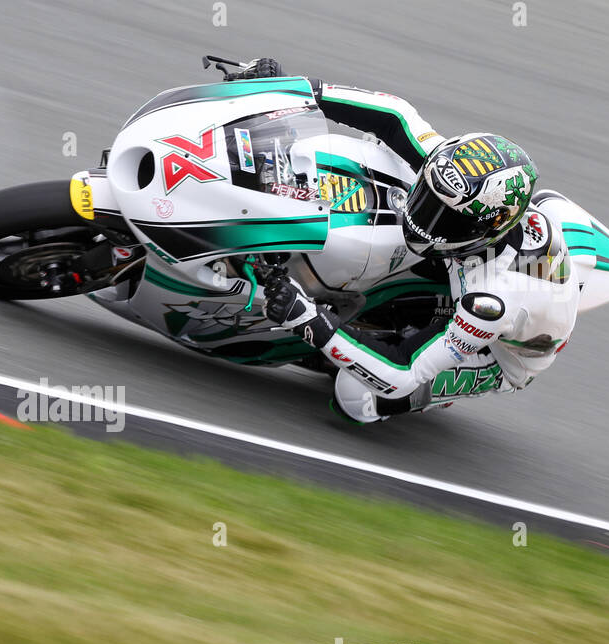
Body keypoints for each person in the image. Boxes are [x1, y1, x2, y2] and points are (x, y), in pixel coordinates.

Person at [229, 59, 578, 422]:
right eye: (428, 198)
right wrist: (291, 91)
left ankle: (426, 377)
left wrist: (311, 322)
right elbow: (395, 115)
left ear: (485, 230)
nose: (424, 221)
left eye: (449, 221)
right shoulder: (458, 177)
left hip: (502, 352)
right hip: (483, 264)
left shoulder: (487, 304)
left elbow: (402, 374)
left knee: (358, 397)